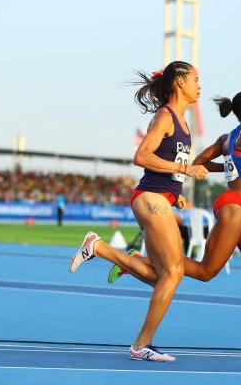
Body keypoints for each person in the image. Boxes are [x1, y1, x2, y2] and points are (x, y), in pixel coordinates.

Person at [98, 91, 241, 355]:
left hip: (236, 206)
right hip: (235, 207)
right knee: (206, 271)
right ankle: (139, 261)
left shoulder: (227, 139)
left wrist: (231, 166)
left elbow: (199, 161)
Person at [68, 61, 208, 362]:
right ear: (179, 82)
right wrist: (185, 169)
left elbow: (165, 162)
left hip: (161, 198)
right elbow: (142, 156)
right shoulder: (165, 116)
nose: (200, 85)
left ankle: (102, 249)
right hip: (150, 197)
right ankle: (140, 345)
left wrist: (177, 193)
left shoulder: (182, 123)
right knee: (175, 272)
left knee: (163, 277)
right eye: (196, 79)